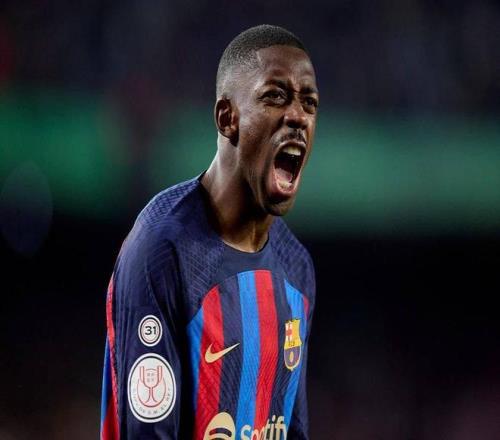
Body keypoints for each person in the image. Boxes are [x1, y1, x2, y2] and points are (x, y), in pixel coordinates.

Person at [101, 24, 319, 440]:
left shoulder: (296, 269)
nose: (298, 116)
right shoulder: (162, 250)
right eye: (275, 96)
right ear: (227, 118)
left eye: (309, 102)